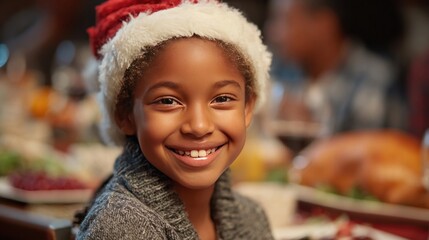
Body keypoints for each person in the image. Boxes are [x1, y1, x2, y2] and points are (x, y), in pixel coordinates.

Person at [75, 0, 273, 239]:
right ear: (124, 115)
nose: (199, 126)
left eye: (222, 98)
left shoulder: (252, 218)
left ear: (247, 107)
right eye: (168, 101)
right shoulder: (121, 229)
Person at [267, 0, 405, 134]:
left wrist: (312, 124)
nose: (272, 31)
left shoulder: (374, 78)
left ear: (324, 24)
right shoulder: (281, 69)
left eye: (284, 19)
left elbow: (368, 149)